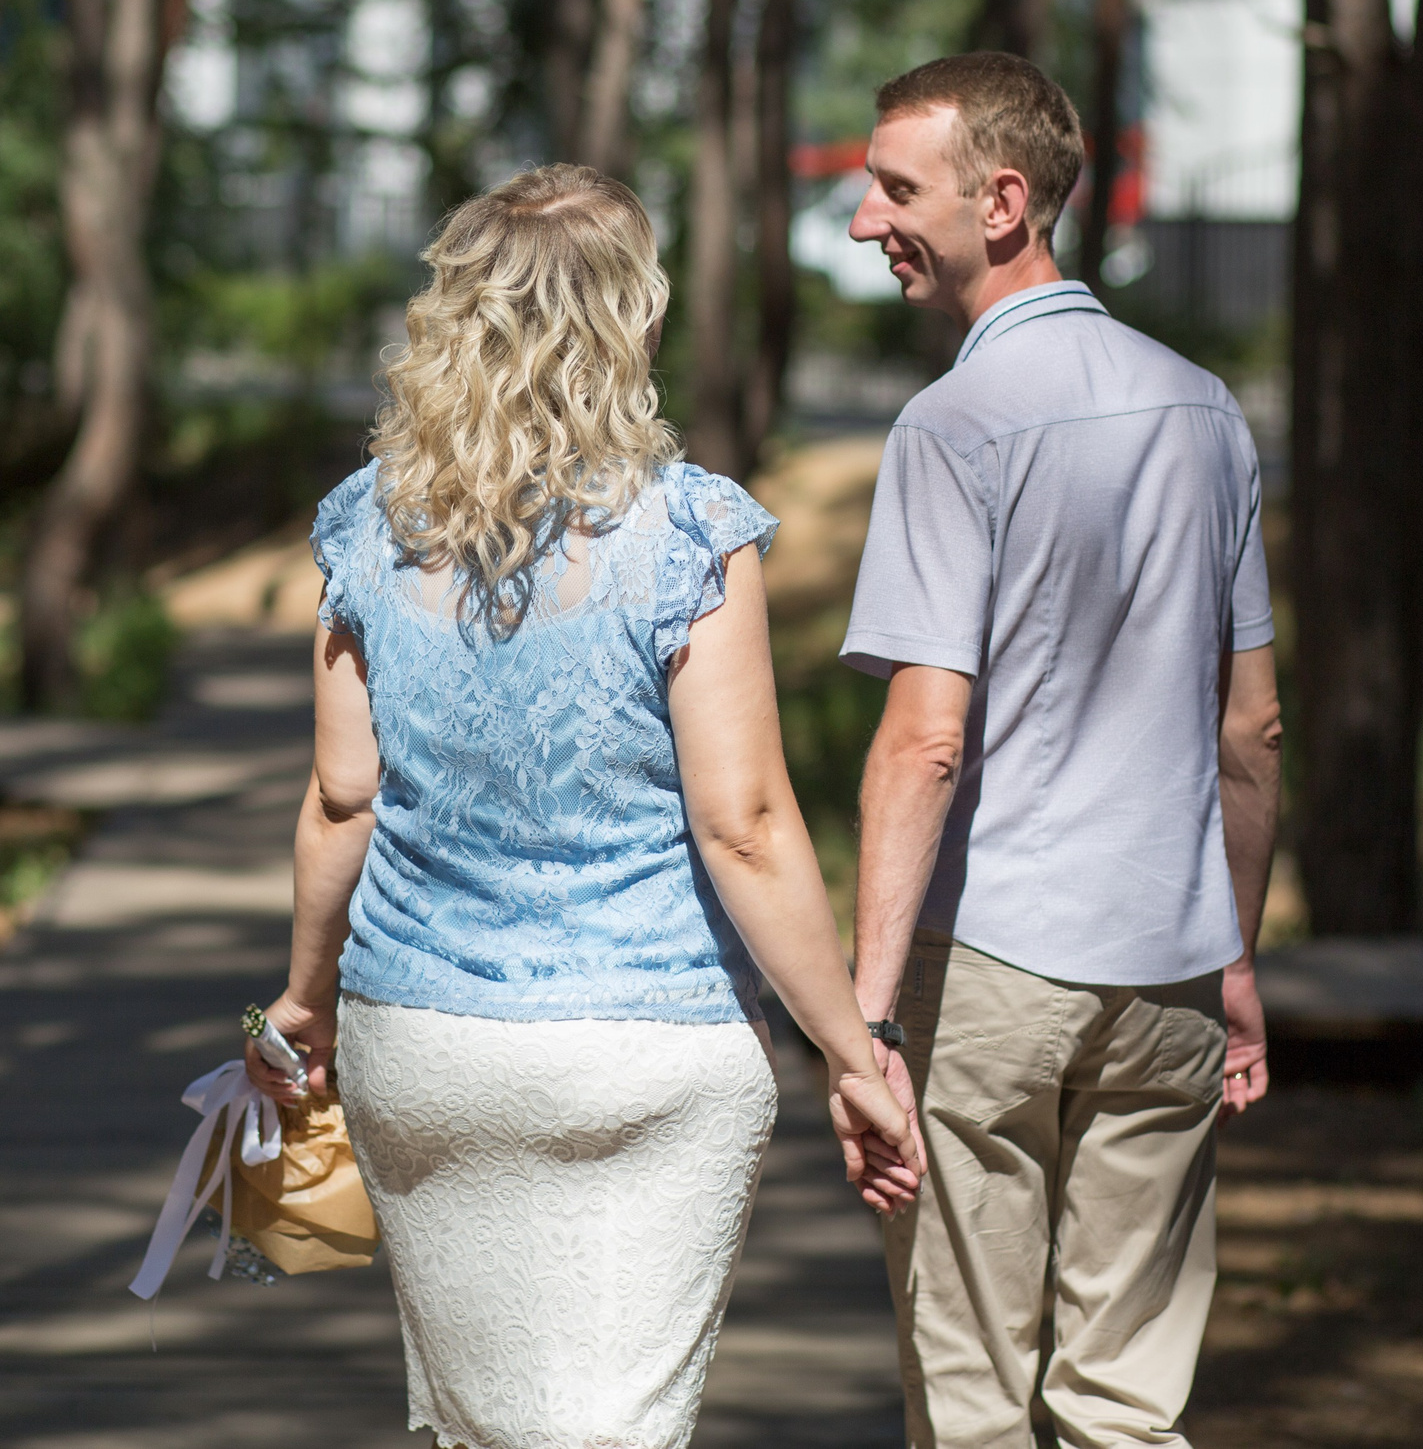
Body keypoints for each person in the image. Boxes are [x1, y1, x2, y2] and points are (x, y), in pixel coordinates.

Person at [248, 163, 922, 1449]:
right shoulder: (688, 533)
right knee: (615, 1424)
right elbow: (747, 826)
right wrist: (850, 1047)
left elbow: (342, 800)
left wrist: (302, 1001)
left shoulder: (363, 526)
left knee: (478, 1421)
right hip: (649, 1051)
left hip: (425, 1036)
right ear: (631, 318)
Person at [839, 52, 1283, 1448]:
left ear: (1006, 199)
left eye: (896, 187)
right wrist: (1238, 952)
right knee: (1127, 1406)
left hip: (991, 970)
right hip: (1169, 965)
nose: (866, 219)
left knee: (972, 1407)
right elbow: (1253, 724)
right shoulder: (1207, 407)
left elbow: (923, 743)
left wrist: (867, 1019)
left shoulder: (950, 426)